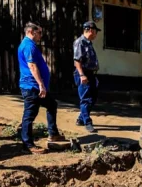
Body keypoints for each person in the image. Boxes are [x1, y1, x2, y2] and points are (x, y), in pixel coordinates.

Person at [18, 22, 64, 153]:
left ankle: (53, 133)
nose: (41, 36)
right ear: (31, 32)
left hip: (35, 86)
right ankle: (27, 145)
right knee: (29, 115)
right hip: (32, 86)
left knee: (52, 104)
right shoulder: (28, 46)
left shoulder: (30, 45)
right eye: (39, 33)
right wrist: (41, 84)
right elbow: (32, 66)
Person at [73, 21, 100, 134]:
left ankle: (81, 118)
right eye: (95, 31)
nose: (96, 34)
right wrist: (82, 75)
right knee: (85, 99)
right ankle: (87, 122)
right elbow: (77, 61)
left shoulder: (88, 42)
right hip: (83, 74)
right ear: (90, 30)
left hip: (91, 74)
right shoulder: (80, 42)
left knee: (93, 98)